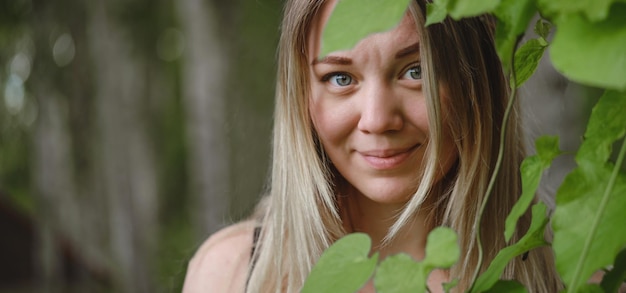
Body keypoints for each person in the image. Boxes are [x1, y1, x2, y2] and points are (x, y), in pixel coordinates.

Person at [182, 0, 563, 292]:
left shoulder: (575, 270)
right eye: (340, 78)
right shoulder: (230, 274)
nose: (378, 119)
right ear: (302, 96)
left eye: (417, 71)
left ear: (478, 81)